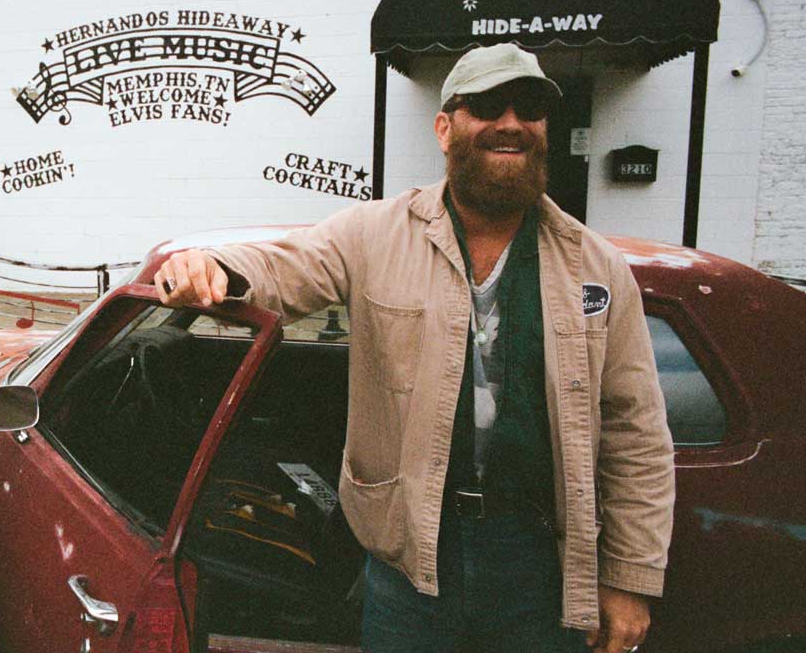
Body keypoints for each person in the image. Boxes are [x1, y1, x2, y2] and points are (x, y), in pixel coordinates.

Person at [155, 43, 674, 653]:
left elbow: (635, 429)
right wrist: (208, 265)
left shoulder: (596, 266)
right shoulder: (375, 234)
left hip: (539, 565)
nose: (510, 123)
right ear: (444, 127)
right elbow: (282, 264)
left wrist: (629, 579)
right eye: (485, 105)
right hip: (410, 563)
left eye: (529, 107)